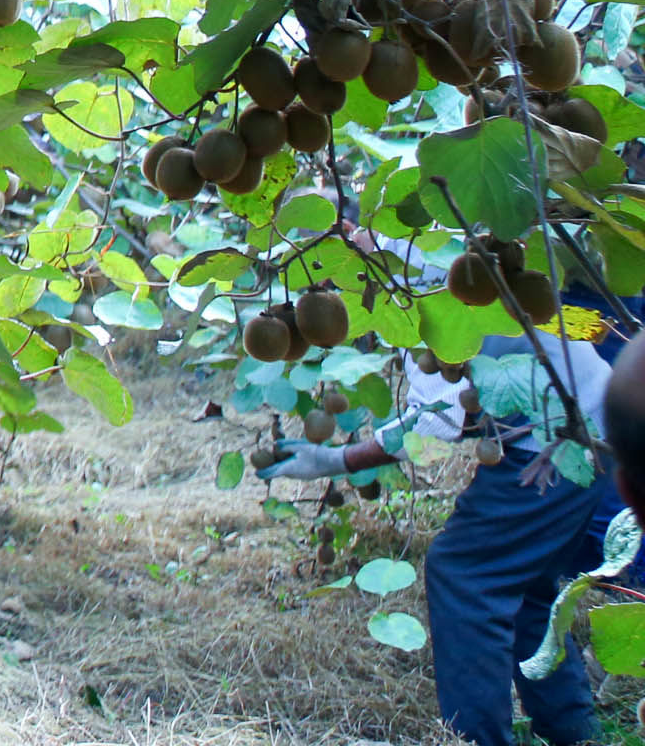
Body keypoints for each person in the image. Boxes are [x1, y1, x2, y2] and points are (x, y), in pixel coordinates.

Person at [265, 312, 632, 746]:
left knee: (464, 573)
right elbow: (458, 404)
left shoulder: (413, 286)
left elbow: (439, 419)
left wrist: (337, 460)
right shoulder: (420, 275)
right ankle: (573, 732)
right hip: (592, 416)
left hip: (563, 433)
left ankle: (478, 739)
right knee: (525, 585)